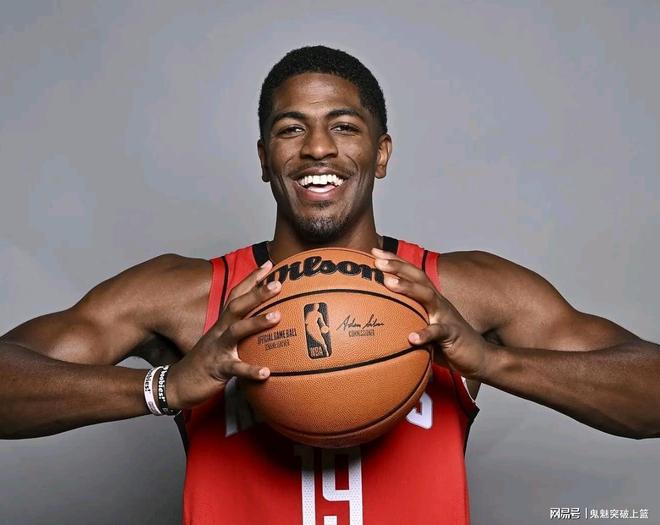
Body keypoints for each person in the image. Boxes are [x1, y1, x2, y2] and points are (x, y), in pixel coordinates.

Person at [0, 45, 658, 525]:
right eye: (291, 129)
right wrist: (166, 387)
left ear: (381, 153)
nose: (317, 148)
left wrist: (493, 361)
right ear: (265, 159)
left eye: (344, 126)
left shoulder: (460, 291)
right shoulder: (184, 297)